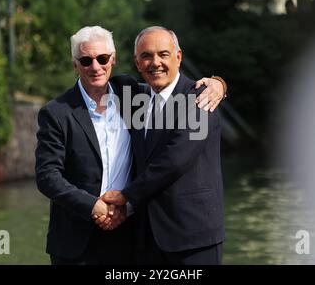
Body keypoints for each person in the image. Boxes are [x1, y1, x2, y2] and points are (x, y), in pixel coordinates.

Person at [35, 26, 227, 265]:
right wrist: (92, 205)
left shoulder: (192, 99)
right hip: (78, 239)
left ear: (113, 59)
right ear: (75, 64)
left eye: (102, 58)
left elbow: (174, 161)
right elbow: (46, 176)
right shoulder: (58, 112)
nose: (95, 67)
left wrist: (218, 84)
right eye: (86, 60)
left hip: (165, 235)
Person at [102, 26, 225, 265]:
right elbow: (97, 79)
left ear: (178, 57)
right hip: (145, 238)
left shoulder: (200, 98)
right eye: (146, 56)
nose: (155, 62)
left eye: (163, 54)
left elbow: (174, 161)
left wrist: (125, 196)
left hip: (193, 237)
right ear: (137, 63)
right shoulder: (133, 98)